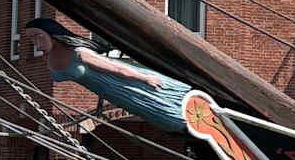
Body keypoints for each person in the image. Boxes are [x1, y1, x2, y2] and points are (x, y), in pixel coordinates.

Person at [24, 17, 192, 134]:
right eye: (31, 39)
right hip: (112, 93)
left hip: (124, 84)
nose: (36, 43)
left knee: (166, 108)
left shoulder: (79, 53)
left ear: (51, 34)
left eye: (38, 37)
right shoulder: (51, 58)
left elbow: (116, 69)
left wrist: (145, 78)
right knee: (152, 113)